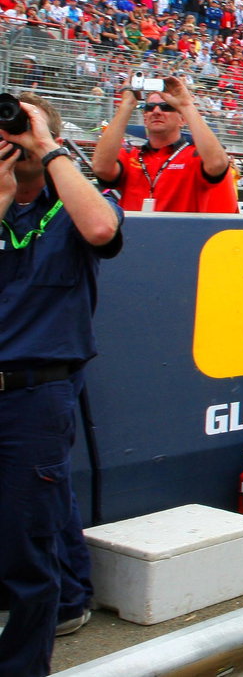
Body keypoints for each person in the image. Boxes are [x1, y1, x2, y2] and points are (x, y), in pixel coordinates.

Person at [1, 93, 123, 676]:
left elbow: (101, 228)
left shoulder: (70, 204)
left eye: (25, 122)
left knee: (29, 545)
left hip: (35, 394)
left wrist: (47, 148)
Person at [90, 76, 237, 213]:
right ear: (145, 118)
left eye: (166, 107)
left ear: (182, 119)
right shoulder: (130, 156)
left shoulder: (194, 156)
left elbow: (217, 164)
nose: (156, 111)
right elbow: (101, 168)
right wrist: (126, 105)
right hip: (133, 239)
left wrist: (186, 105)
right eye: (150, 107)